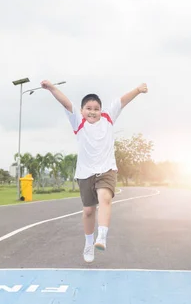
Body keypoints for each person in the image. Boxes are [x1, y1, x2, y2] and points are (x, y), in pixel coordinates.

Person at [40, 80, 149, 263]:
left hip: (106, 169)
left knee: (105, 198)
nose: (92, 111)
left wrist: (137, 90)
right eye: (88, 108)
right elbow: (66, 103)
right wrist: (51, 88)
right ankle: (89, 243)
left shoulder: (108, 118)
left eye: (96, 108)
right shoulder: (78, 121)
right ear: (82, 110)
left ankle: (102, 236)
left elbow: (122, 101)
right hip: (85, 173)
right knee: (89, 211)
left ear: (101, 110)